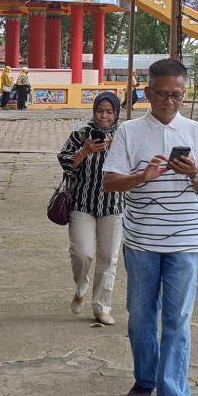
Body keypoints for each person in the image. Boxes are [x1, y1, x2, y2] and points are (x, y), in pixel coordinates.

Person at [102, 59, 198, 396]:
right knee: (141, 316)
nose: (169, 101)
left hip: (186, 237)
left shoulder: (197, 131)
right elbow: (110, 183)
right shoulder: (129, 132)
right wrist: (142, 175)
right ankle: (146, 377)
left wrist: (194, 173)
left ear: (185, 94)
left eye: (177, 95)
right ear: (147, 93)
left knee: (177, 319)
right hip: (142, 239)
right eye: (162, 94)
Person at [57, 92, 124, 325]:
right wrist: (85, 151)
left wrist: (118, 148)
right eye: (99, 111)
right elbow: (66, 163)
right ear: (93, 111)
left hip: (113, 205)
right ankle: (80, 286)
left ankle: (102, 306)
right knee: (82, 252)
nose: (104, 116)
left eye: (109, 111)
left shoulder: (124, 136)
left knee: (108, 258)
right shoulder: (80, 134)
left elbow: (135, 165)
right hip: (82, 203)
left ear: (116, 113)